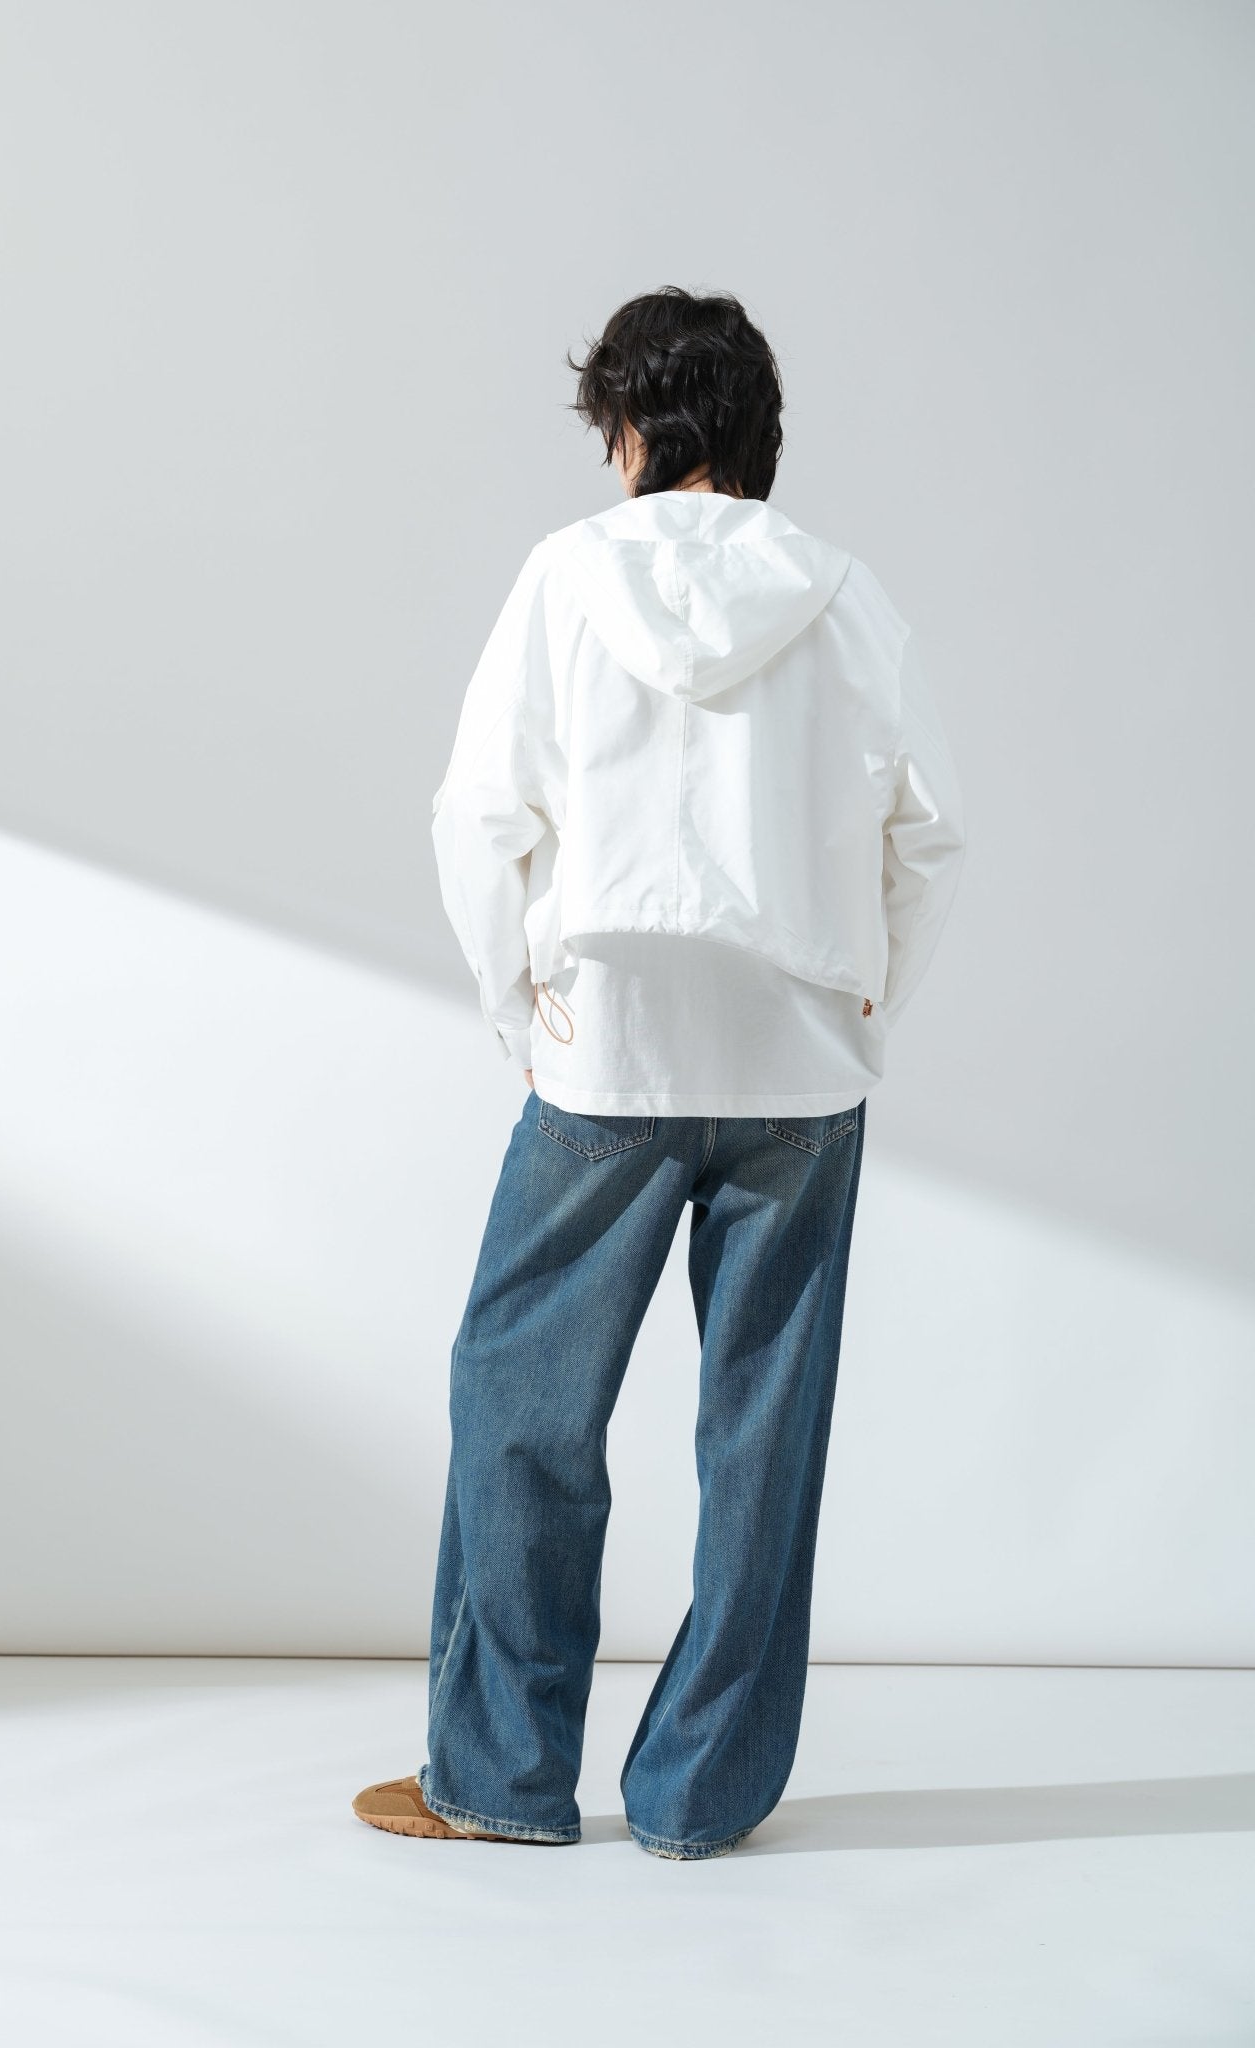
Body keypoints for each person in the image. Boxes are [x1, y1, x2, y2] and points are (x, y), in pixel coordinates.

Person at [353, 286, 966, 1860]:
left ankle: (501, 1776)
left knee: (519, 1401)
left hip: (608, 1051)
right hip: (801, 1071)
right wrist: (867, 1006)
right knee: (763, 1434)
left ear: (633, 431)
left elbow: (477, 815)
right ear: (759, 434)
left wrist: (521, 1004)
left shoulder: (567, 576)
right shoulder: (845, 594)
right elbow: (931, 833)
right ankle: (702, 1797)